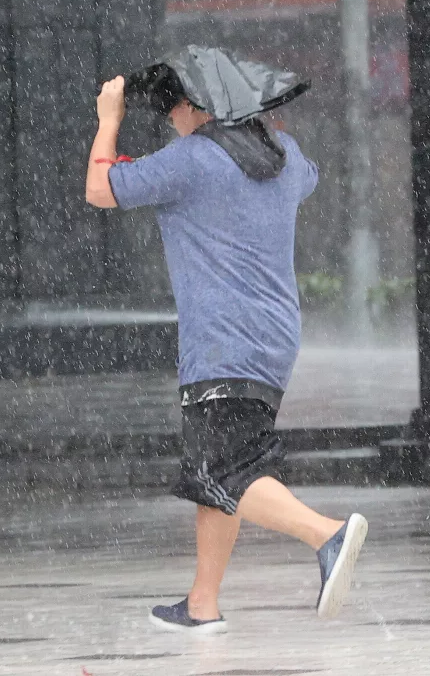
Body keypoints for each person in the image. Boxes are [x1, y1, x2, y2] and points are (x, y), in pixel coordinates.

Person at [85, 49, 367, 633]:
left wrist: (108, 118)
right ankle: (201, 602)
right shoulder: (285, 157)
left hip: (220, 341)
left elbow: (100, 188)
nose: (171, 121)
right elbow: (305, 175)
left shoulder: (190, 161)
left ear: (196, 107)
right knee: (224, 468)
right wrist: (267, 130)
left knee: (226, 469)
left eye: (173, 111)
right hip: (273, 339)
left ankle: (327, 535)